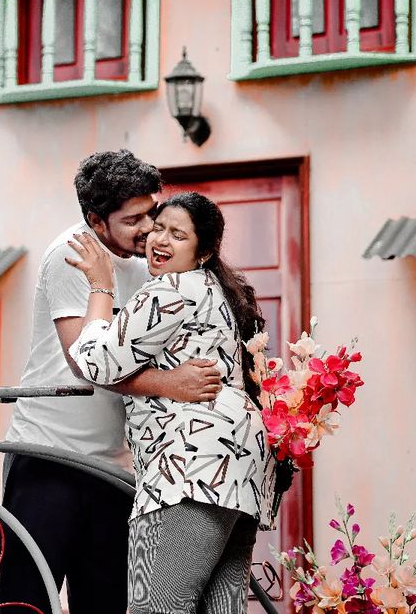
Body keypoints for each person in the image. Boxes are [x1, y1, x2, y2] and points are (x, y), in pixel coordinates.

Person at [0, 151, 223, 614]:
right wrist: (169, 384)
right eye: (133, 219)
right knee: (28, 601)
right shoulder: (73, 255)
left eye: (152, 214)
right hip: (50, 454)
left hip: (116, 468)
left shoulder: (152, 262)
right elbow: (86, 361)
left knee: (104, 601)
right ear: (95, 220)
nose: (149, 229)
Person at [65, 191, 277, 614]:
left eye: (178, 235)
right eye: (158, 228)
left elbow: (94, 361)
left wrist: (101, 285)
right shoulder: (216, 289)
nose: (159, 240)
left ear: (203, 253)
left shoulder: (170, 290)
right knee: (220, 610)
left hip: (186, 470)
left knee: (155, 607)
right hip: (239, 473)